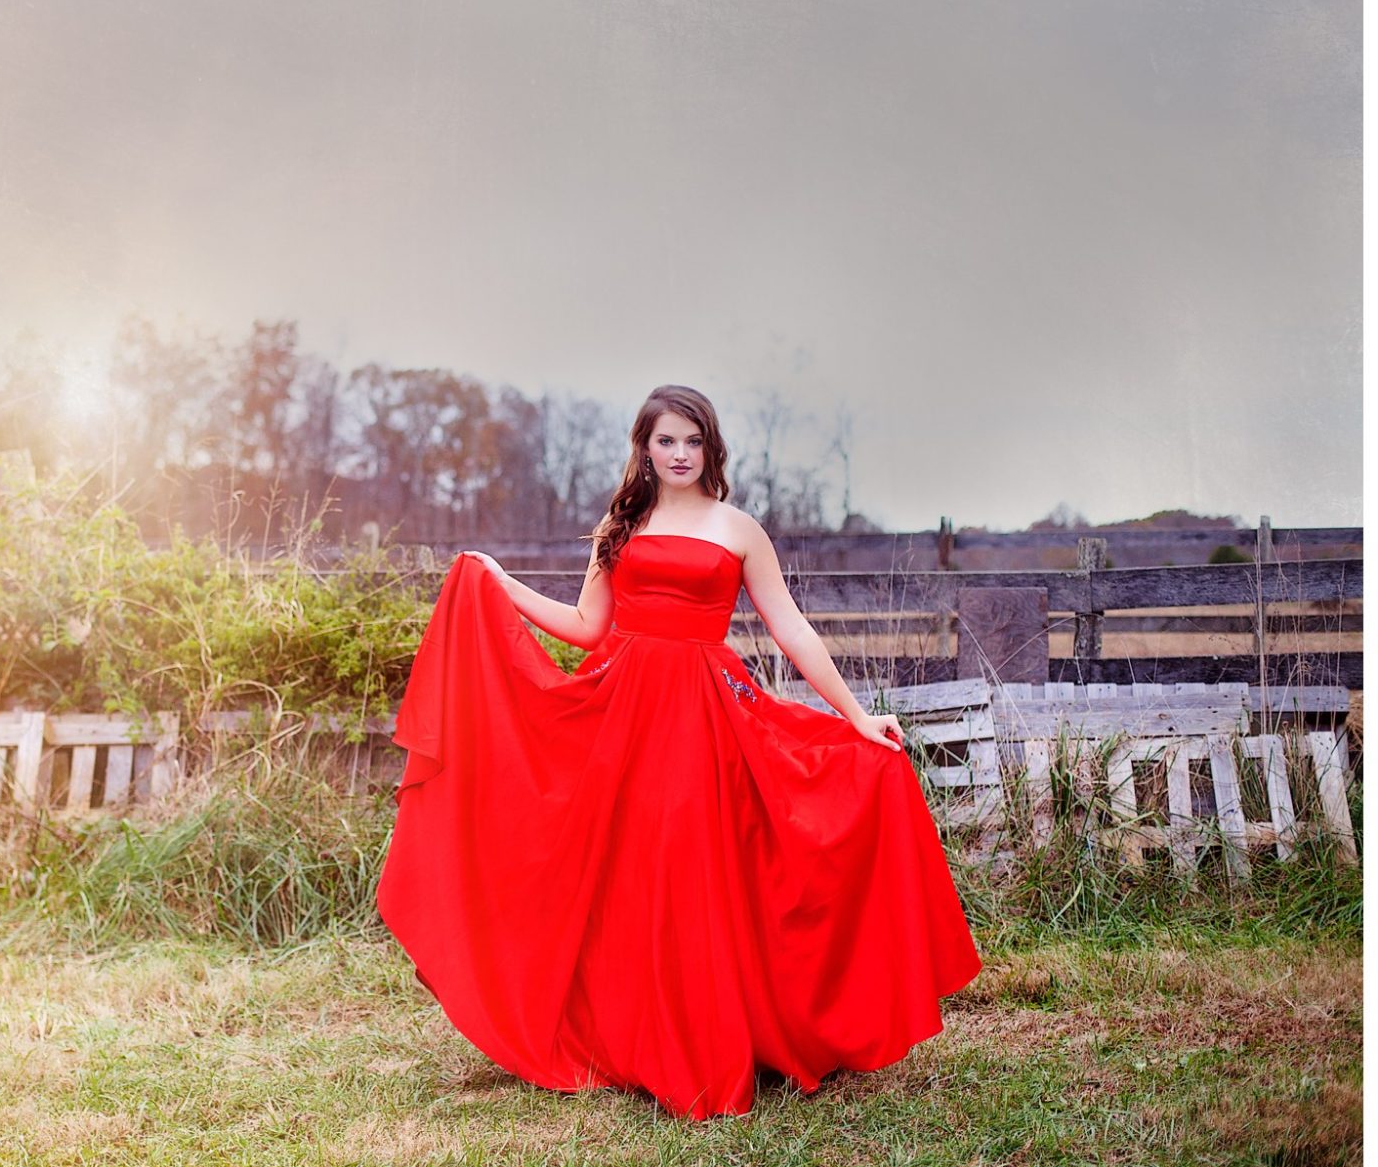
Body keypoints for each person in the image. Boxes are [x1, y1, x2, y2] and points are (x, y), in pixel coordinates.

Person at [375, 383, 983, 1120]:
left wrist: (855, 715)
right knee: (630, 871)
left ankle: (721, 1038)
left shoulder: (739, 529)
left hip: (705, 711)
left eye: (693, 440)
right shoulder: (621, 524)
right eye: (666, 440)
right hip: (624, 708)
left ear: (711, 447)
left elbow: (791, 628)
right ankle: (634, 1038)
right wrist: (502, 585)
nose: (680, 454)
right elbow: (587, 626)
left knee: (703, 865)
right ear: (645, 447)